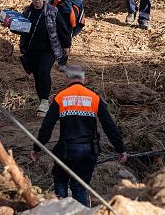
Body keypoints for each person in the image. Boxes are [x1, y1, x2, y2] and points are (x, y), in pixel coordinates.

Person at [29, 65, 128, 206]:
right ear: (84, 79)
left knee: (61, 182)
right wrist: (120, 148)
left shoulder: (61, 97)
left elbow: (47, 126)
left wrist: (37, 148)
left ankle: (61, 210)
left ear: (67, 79)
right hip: (89, 150)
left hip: (66, 149)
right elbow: (109, 125)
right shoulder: (94, 97)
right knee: (79, 186)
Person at [20, 0, 72, 117]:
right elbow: (20, 29)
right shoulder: (27, 12)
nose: (37, 0)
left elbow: (62, 28)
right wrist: (10, 24)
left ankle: (44, 101)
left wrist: (66, 45)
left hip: (49, 49)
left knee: (44, 71)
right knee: (37, 75)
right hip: (31, 49)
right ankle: (42, 102)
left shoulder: (52, 11)